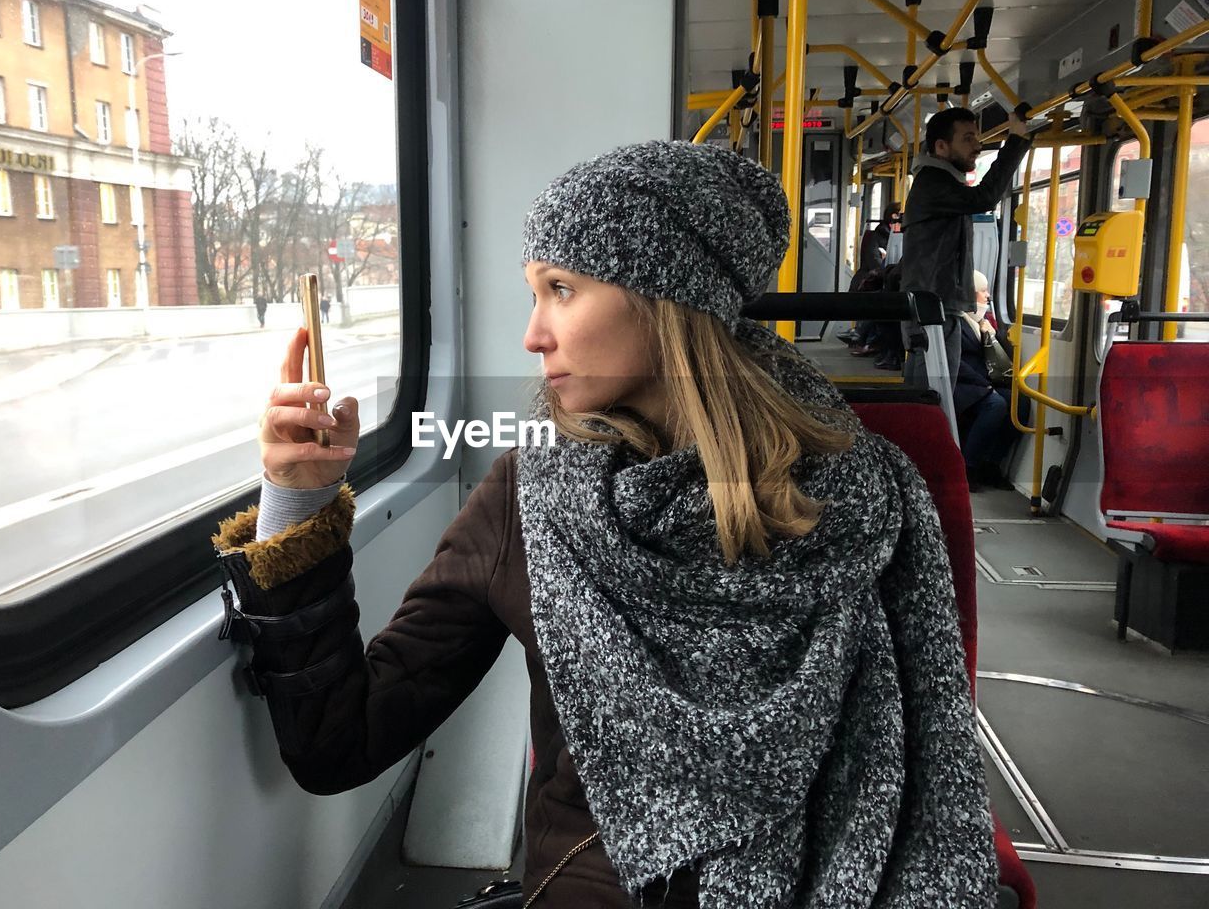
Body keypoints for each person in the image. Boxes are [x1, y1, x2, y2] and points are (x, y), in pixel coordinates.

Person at [213, 141, 1000, 908]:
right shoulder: (531, 497)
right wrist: (298, 499)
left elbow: (922, 757)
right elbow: (341, 737)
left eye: (560, 288)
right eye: (533, 293)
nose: (532, 335)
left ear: (663, 299)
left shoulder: (859, 493)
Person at [900, 107, 1030, 392]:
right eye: (968, 139)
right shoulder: (934, 183)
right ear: (941, 147)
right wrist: (1017, 140)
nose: (977, 146)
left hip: (934, 303)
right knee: (932, 395)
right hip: (933, 307)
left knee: (928, 393)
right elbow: (984, 197)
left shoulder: (940, 182)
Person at [956, 271, 1030, 492]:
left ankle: (992, 463)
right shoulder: (954, 323)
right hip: (963, 383)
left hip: (984, 384)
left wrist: (993, 335)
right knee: (996, 404)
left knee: (1020, 403)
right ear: (970, 295)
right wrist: (983, 384)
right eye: (983, 291)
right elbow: (954, 362)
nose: (988, 296)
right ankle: (967, 467)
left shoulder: (984, 323)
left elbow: (1003, 357)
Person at [838, 203, 901, 352]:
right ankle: (864, 338)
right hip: (867, 281)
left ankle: (869, 339)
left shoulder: (899, 239)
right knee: (878, 301)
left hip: (882, 279)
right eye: (897, 218)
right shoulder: (875, 237)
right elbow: (874, 263)